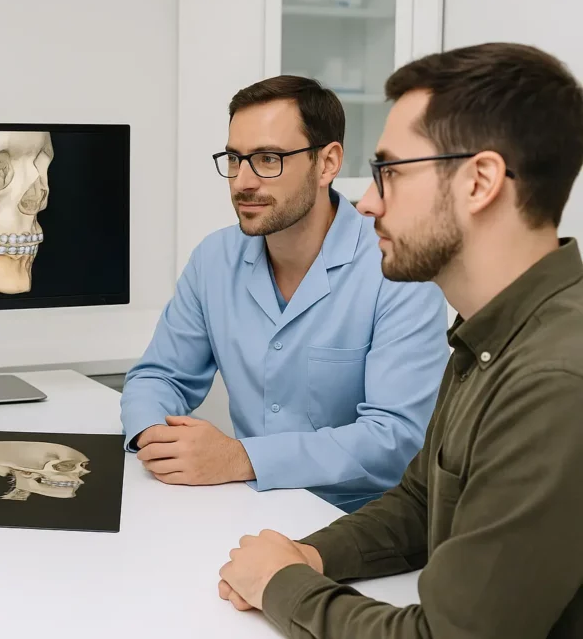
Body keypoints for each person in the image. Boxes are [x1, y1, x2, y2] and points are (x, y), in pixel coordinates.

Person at [217, 42, 583, 638]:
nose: (367, 202)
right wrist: (309, 556)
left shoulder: (555, 380)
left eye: (389, 172)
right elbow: (420, 505)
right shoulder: (490, 337)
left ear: (480, 181)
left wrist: (282, 585)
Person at [119, 76, 450, 512]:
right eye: (235, 159)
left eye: (268, 159)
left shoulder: (398, 267)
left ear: (328, 163)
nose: (243, 182)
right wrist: (153, 436)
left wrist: (240, 458)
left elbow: (394, 437)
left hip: (363, 519)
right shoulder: (214, 258)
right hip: (248, 505)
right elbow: (158, 377)